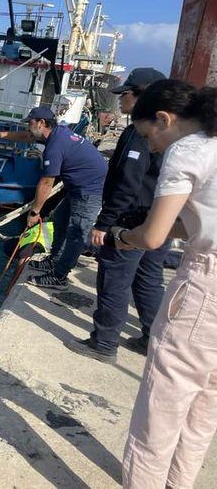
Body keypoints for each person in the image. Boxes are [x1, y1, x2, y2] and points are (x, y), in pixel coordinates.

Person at [111, 79, 217, 488]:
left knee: (159, 414)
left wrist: (124, 238)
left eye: (147, 133)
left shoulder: (186, 150)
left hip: (204, 290)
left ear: (164, 119)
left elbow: (154, 237)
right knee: (203, 414)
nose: (150, 145)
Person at [68, 68, 168, 363]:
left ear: (142, 96)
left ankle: (103, 342)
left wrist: (104, 223)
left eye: (125, 93)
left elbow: (127, 183)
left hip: (129, 223)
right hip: (155, 220)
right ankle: (152, 337)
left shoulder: (139, 133)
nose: (121, 98)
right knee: (149, 281)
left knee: (114, 280)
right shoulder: (166, 135)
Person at [0, 106, 107, 290]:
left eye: (30, 123)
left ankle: (60, 277)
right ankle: (54, 260)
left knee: (76, 232)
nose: (27, 127)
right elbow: (27, 137)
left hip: (90, 189)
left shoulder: (55, 146)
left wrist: (34, 212)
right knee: (60, 220)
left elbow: (46, 183)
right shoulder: (57, 132)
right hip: (77, 186)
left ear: (41, 123)